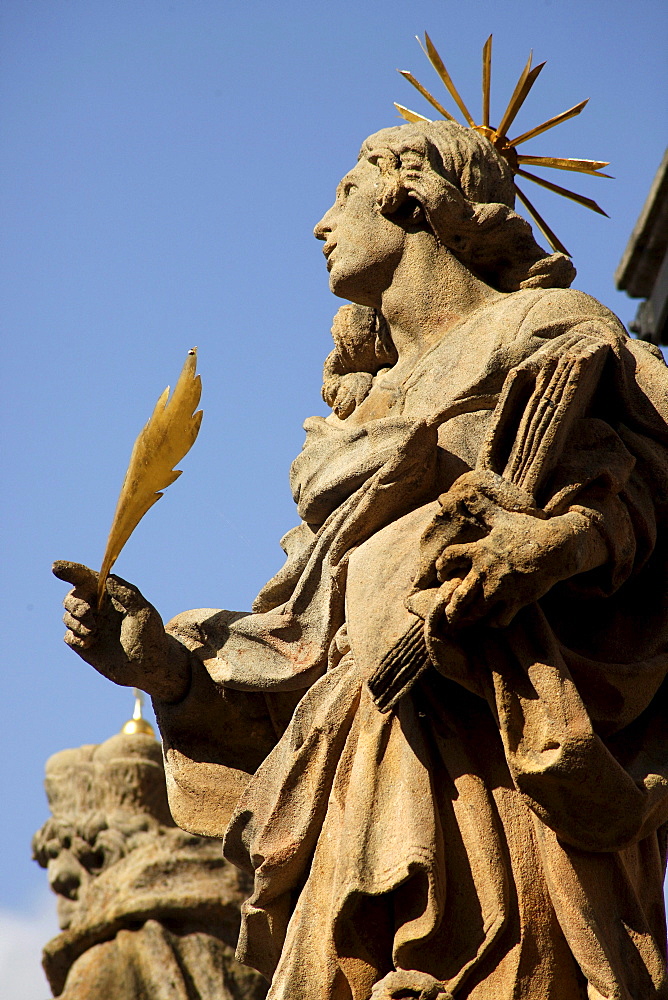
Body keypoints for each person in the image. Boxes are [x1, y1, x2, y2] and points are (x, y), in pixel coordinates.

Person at [56, 120, 668, 1000]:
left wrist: (539, 551)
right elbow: (299, 665)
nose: (319, 223)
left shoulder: (544, 327)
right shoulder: (355, 423)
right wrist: (170, 673)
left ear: (411, 194)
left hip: (500, 764)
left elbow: (645, 490)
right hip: (361, 767)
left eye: (344, 191)